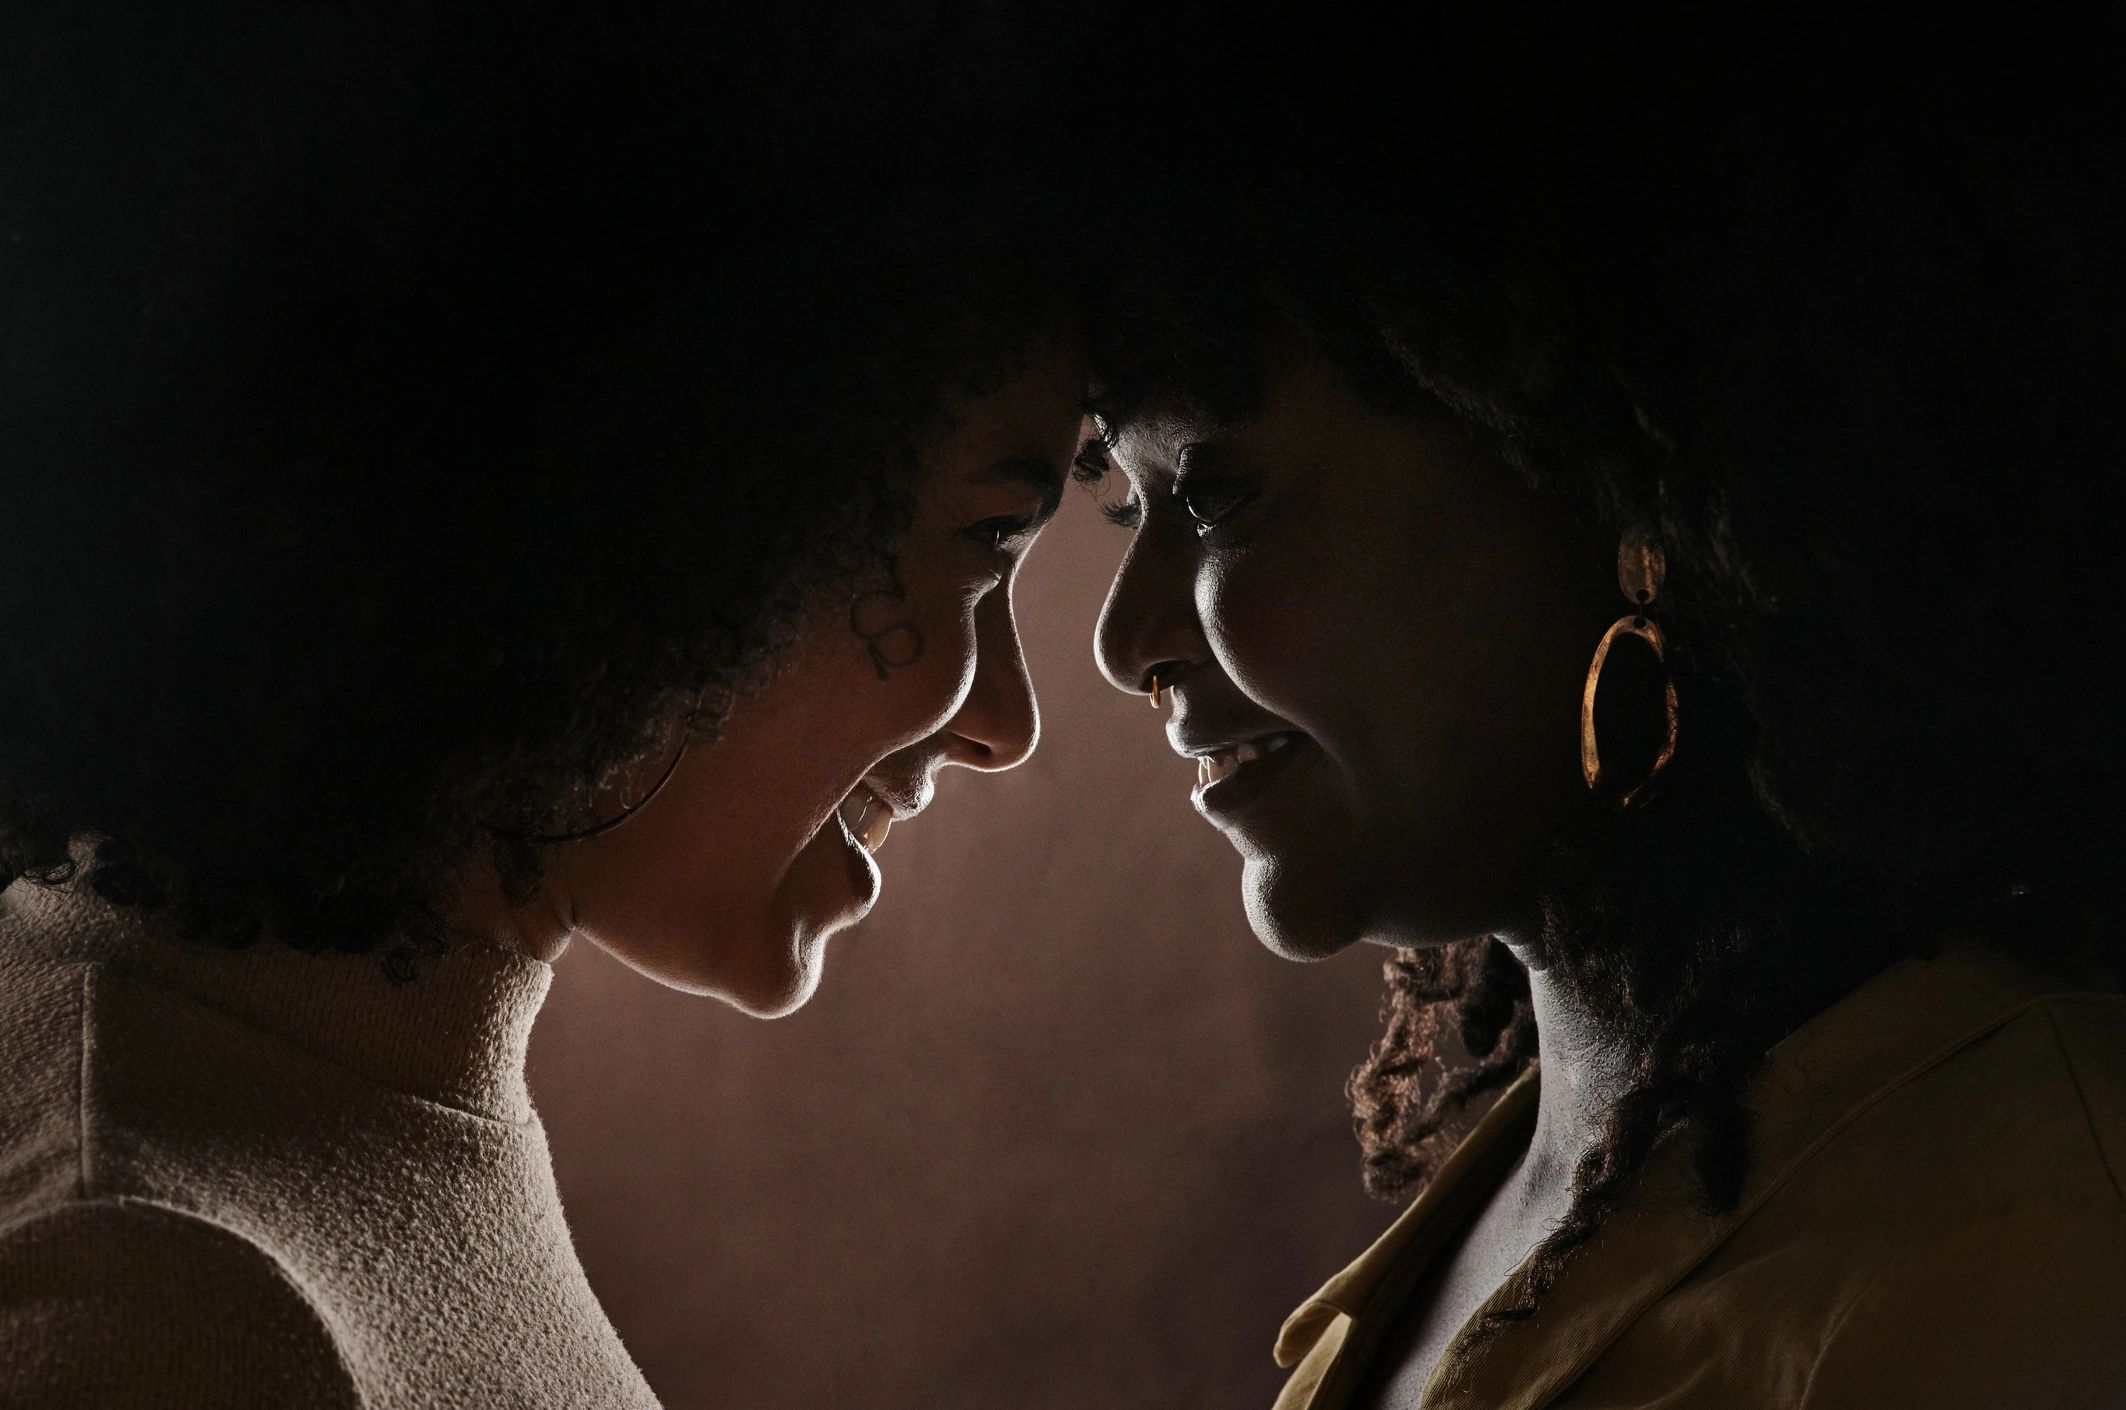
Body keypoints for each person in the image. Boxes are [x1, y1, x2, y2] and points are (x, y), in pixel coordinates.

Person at [0, 3, 1084, 1405]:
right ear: (676, 492)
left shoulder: (334, 1083)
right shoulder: (150, 1285)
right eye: (986, 542)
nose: (1005, 721)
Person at [1083, 9, 2126, 1407]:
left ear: (1610, 478)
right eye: (1126, 508)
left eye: (1215, 494)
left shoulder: (2034, 1240)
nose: (1123, 640)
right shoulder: (1500, 1214)